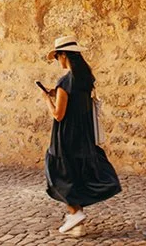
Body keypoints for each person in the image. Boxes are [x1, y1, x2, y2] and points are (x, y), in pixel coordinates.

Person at [40, 35, 122, 234]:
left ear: (64, 55)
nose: (58, 61)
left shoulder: (65, 81)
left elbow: (59, 115)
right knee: (76, 173)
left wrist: (46, 99)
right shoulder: (84, 80)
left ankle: (75, 213)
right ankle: (77, 222)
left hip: (66, 136)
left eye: (58, 56)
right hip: (83, 134)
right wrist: (56, 94)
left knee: (61, 172)